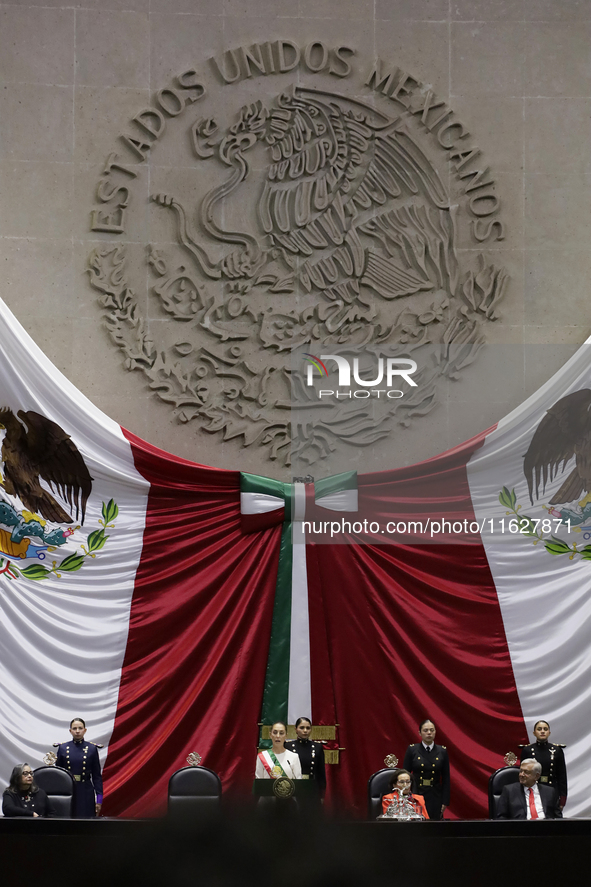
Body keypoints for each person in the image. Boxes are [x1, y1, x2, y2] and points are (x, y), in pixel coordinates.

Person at [55, 717, 103, 817]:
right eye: (74, 728)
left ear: (85, 730)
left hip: (85, 790)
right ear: (70, 731)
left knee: (85, 822)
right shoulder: (63, 748)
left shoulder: (92, 748)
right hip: (68, 790)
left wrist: (99, 799)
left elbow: (96, 776)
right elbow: (58, 775)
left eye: (80, 728)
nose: (77, 731)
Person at [402, 718, 450, 820]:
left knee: (434, 828)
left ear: (435, 732)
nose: (429, 733)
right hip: (416, 793)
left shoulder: (442, 751)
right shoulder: (412, 750)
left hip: (435, 795)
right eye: (425, 730)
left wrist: (445, 801)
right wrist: (405, 798)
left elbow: (446, 779)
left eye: (432, 730)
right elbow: (405, 776)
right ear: (420, 733)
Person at [520, 719, 567, 807]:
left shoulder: (556, 750)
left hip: (552, 790)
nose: (542, 731)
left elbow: (562, 777)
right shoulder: (527, 750)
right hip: (532, 790)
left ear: (549, 732)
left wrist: (562, 799)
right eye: (539, 729)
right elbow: (523, 775)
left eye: (545, 729)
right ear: (534, 733)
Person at [495, 758, 562, 820]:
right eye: (521, 771)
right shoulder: (509, 791)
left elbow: (558, 817)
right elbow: (501, 818)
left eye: (526, 772)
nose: (521, 775)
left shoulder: (549, 791)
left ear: (536, 776)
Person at [284, 716, 326, 800]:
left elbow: (321, 773)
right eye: (302, 728)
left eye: (308, 728)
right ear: (296, 729)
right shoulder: (287, 746)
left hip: (311, 788)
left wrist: (321, 794)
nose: (305, 730)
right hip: (293, 788)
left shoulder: (317, 747)